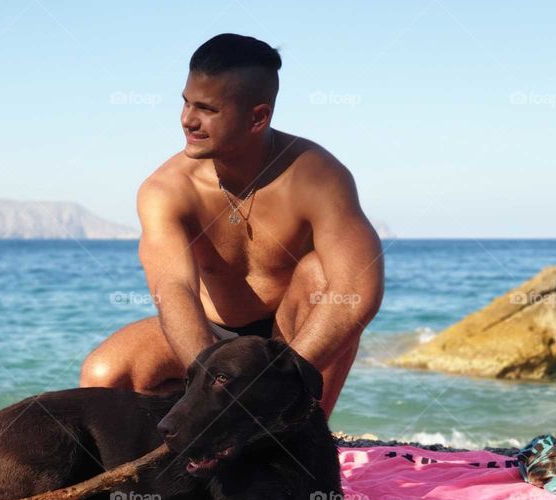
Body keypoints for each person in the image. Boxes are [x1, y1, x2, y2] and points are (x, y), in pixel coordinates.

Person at [80, 33, 384, 419]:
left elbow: (358, 290)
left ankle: (303, 439)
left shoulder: (317, 177)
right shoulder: (168, 189)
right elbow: (174, 290)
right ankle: (200, 442)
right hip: (211, 338)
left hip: (291, 338)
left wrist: (273, 379)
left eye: (207, 108)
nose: (188, 119)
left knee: (324, 274)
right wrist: (215, 383)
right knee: (104, 377)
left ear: (258, 117)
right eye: (187, 102)